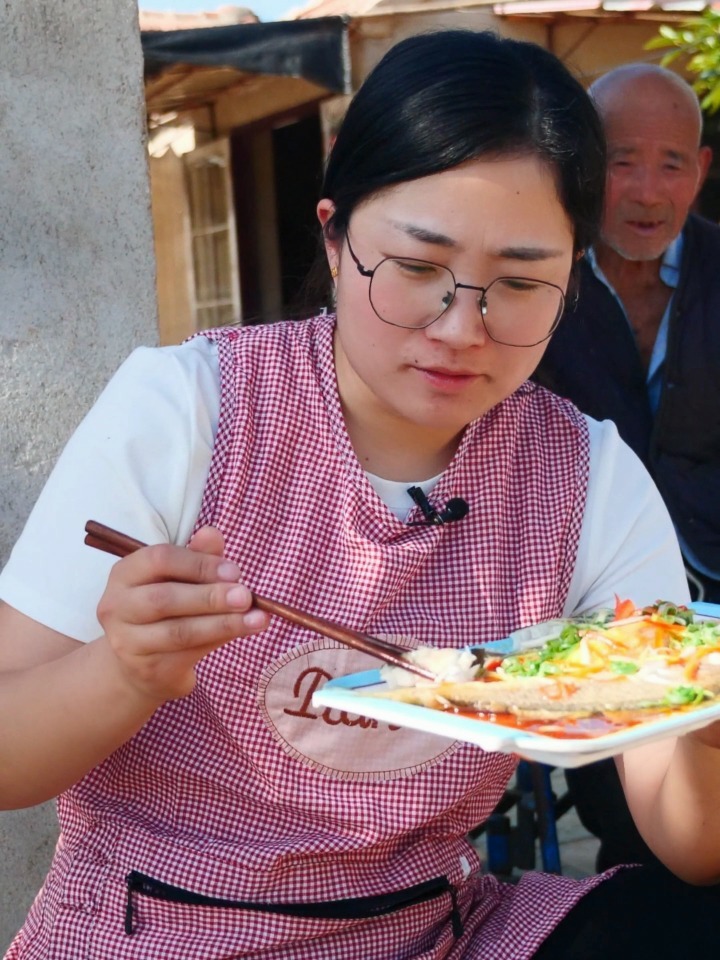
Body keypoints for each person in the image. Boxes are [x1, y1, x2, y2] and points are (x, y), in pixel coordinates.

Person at [0, 30, 719, 960]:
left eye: (521, 283)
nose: (463, 327)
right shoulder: (189, 407)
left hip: (436, 930)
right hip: (156, 928)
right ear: (336, 236)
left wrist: (703, 734)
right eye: (418, 269)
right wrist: (124, 670)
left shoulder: (586, 474)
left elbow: (687, 838)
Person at [534, 62, 719, 874]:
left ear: (702, 170)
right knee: (639, 817)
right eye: (620, 160)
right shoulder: (537, 280)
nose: (649, 192)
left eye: (672, 162)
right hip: (594, 612)